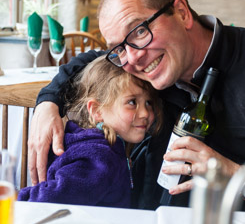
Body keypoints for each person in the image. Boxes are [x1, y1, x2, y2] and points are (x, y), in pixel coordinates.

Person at [28, 0, 245, 214]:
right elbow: (90, 61)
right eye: (119, 48)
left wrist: (239, 178)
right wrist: (48, 102)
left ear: (181, 13)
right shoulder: (153, 67)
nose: (131, 59)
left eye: (138, 31)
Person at [18, 55, 162, 207]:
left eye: (149, 103)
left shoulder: (97, 143)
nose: (145, 113)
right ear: (96, 110)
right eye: (132, 102)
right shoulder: (100, 159)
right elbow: (43, 200)